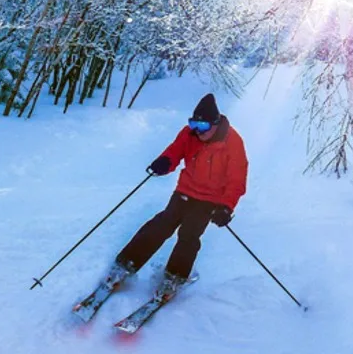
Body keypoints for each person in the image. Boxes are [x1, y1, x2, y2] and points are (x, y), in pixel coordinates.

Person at [103, 93, 248, 299]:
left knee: (189, 235)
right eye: (193, 124)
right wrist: (164, 162)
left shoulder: (233, 142)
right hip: (186, 190)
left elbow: (237, 179)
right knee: (162, 224)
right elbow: (175, 151)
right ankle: (127, 263)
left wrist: (226, 207)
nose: (198, 131)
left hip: (210, 199)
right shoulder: (189, 134)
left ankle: (174, 277)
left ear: (215, 124)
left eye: (203, 126)